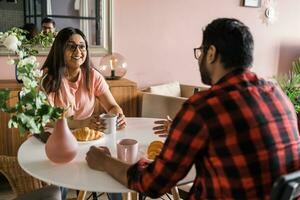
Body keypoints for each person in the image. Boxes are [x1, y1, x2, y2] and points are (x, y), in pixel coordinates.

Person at [85, 18, 300, 199]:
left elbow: (153, 184)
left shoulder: (203, 107)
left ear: (211, 53)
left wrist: (104, 161)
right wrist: (186, 135)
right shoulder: (277, 94)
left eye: (200, 52)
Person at [42, 27, 126, 199]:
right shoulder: (48, 79)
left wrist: (117, 115)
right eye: (71, 46)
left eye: (82, 46)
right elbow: (50, 120)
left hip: (89, 141)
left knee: (113, 168)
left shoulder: (93, 76)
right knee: (60, 184)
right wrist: (84, 123)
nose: (78, 51)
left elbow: (112, 106)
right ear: (60, 49)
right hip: (59, 142)